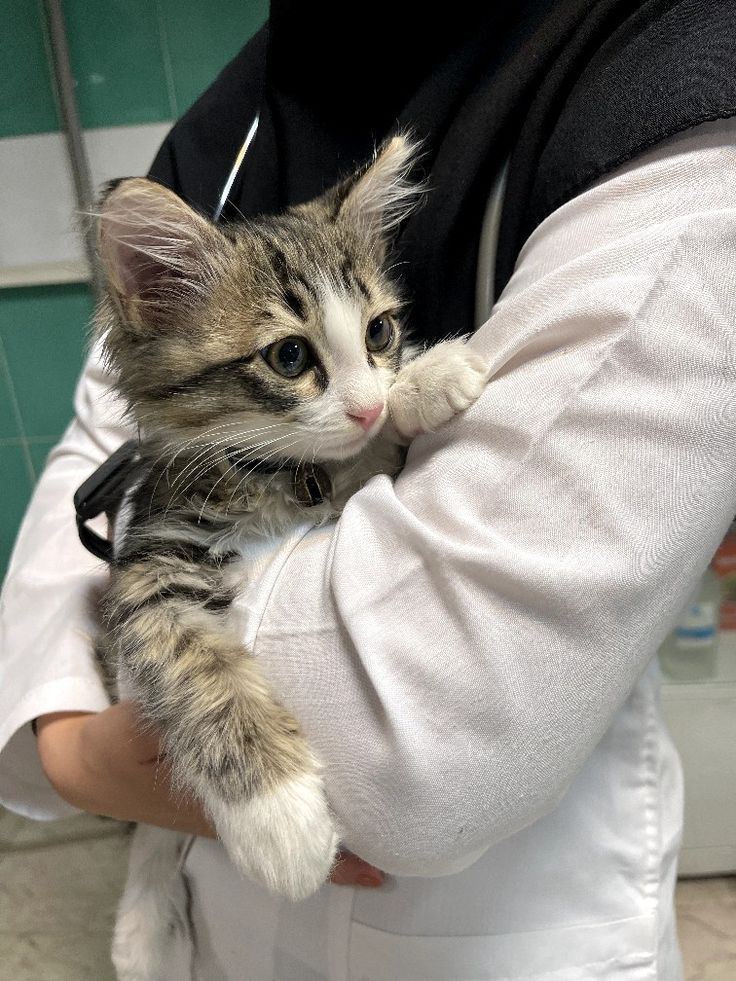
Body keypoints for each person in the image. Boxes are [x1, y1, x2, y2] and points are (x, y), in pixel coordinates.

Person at [2, 1, 736, 978]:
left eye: (381, 337)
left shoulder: (666, 57)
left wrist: (120, 737)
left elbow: (426, 740)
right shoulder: (250, 104)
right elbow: (102, 449)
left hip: (502, 918)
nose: (361, 401)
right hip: (221, 909)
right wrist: (73, 752)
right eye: (293, 355)